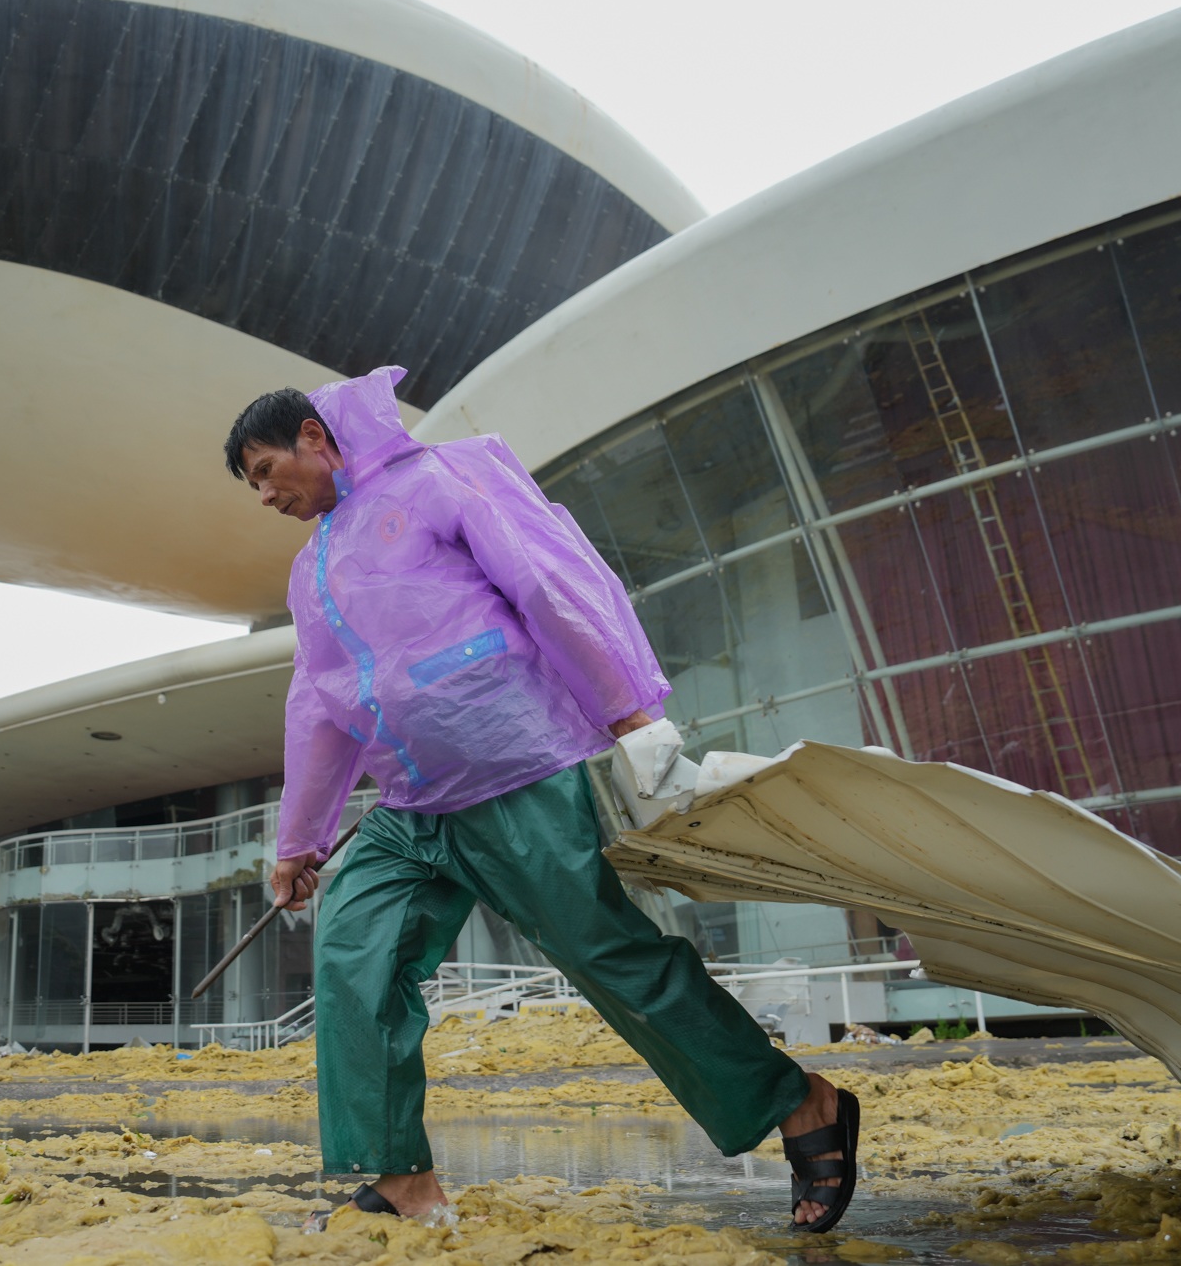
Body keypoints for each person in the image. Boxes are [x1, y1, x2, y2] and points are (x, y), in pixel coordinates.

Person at [223, 367, 860, 1231]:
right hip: (410, 809)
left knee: (616, 958)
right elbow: (318, 702)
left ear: (310, 435)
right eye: (252, 485)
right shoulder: (312, 571)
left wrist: (630, 712)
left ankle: (799, 1103)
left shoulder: (439, 480)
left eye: (264, 470)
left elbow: (544, 585)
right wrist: (300, 840)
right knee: (351, 953)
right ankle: (402, 1181)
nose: (263, 494)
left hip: (520, 771)